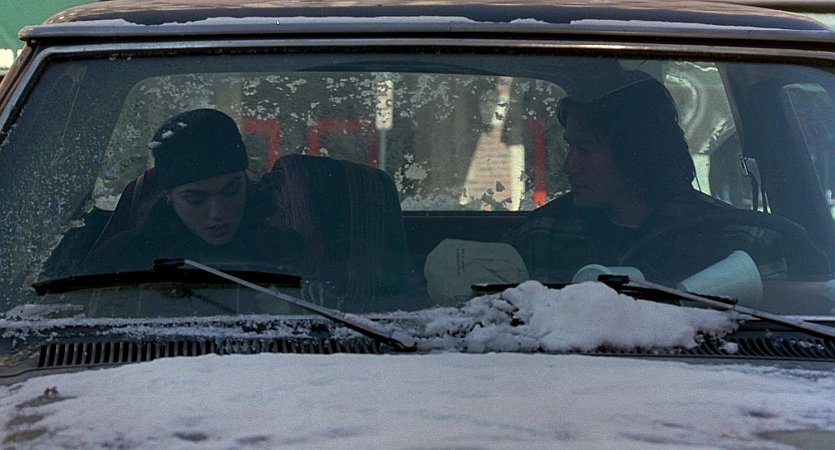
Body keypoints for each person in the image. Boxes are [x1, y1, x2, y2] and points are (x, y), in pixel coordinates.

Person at [504, 70, 785, 284]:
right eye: (571, 147)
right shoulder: (543, 236)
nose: (570, 166)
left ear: (637, 153)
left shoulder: (738, 243)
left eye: (586, 149)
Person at [84, 108, 300, 273]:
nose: (217, 212)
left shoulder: (285, 253)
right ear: (169, 196)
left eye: (231, 191)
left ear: (246, 183)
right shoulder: (121, 261)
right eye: (195, 199)